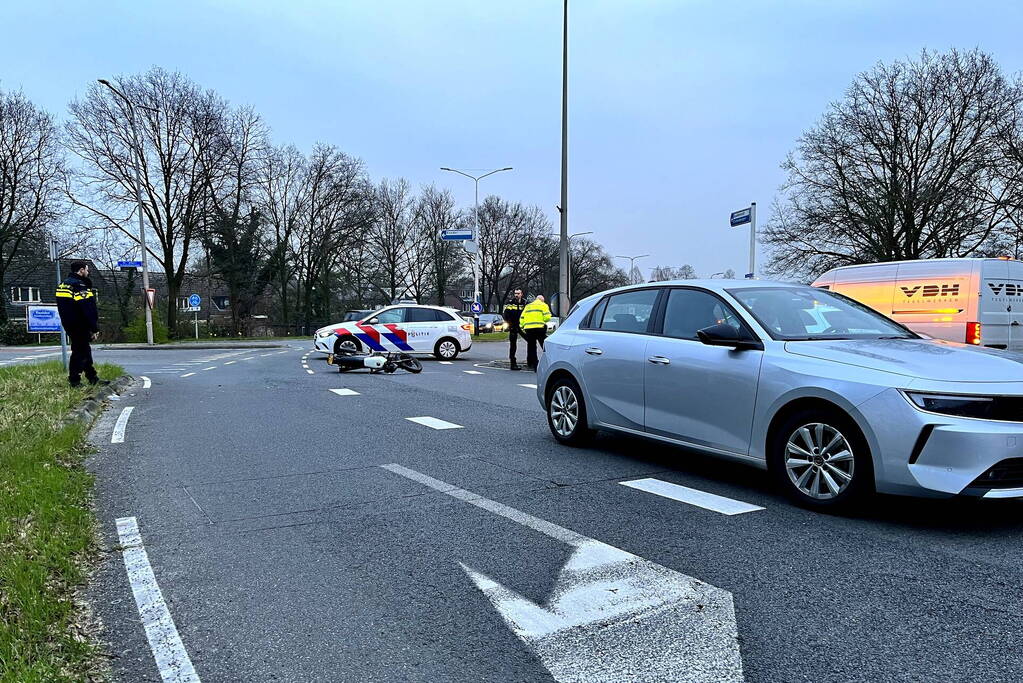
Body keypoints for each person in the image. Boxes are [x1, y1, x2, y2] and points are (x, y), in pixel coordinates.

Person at [55, 261, 103, 388]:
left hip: (68, 323)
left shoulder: (63, 284)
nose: (88, 272)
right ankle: (74, 380)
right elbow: (87, 308)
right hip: (80, 324)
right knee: (80, 352)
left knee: (84, 350)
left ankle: (92, 377)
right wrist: (94, 328)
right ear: (81, 270)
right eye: (87, 270)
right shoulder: (80, 285)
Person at [519, 294, 552, 371]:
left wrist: (523, 326)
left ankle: (534, 365)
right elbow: (547, 317)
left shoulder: (528, 306)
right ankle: (548, 362)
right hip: (539, 328)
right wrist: (542, 320)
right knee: (544, 345)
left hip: (529, 329)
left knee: (531, 347)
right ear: (542, 300)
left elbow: (522, 318)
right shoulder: (543, 305)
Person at [502, 288, 528, 370]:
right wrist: (510, 325)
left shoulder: (525, 303)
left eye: (518, 293)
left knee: (530, 342)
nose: (516, 295)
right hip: (513, 326)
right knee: (513, 345)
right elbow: (506, 315)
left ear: (521, 294)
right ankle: (513, 363)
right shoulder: (510, 303)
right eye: (515, 293)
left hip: (522, 326)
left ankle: (530, 360)